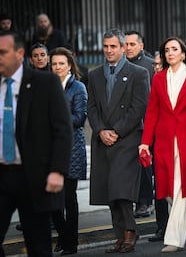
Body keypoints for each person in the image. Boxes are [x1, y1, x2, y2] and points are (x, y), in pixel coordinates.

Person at [0, 30, 73, 257]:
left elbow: (62, 130)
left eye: (2, 52)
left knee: (38, 245)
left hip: (33, 176)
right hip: (1, 175)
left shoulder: (44, 83)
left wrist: (57, 171)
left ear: (19, 53)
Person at [139, 37, 186, 253]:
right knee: (167, 189)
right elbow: (152, 113)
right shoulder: (158, 79)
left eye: (174, 49)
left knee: (180, 186)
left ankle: (174, 239)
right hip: (165, 140)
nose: (170, 53)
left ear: (183, 53)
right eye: (167, 50)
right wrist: (145, 143)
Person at [87, 28, 149, 253]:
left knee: (121, 189)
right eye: (106, 46)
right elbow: (91, 107)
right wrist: (101, 130)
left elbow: (139, 107)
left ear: (123, 48)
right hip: (103, 139)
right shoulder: (94, 75)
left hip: (127, 138)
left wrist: (117, 131)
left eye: (113, 46)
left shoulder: (138, 73)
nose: (109, 50)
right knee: (108, 190)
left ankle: (130, 232)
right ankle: (119, 235)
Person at [49, 47, 87, 255]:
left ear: (69, 65)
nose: (57, 67)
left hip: (71, 149)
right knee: (52, 199)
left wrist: (53, 121)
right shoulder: (46, 86)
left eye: (61, 63)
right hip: (49, 149)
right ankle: (65, 236)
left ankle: (70, 241)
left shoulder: (78, 87)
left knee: (68, 199)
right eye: (54, 64)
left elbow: (79, 118)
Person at [124, 30, 155, 218]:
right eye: (125, 44)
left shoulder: (150, 66)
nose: (128, 48)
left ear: (141, 46)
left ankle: (144, 202)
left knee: (145, 164)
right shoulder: (119, 65)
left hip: (146, 123)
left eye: (132, 44)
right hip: (125, 123)